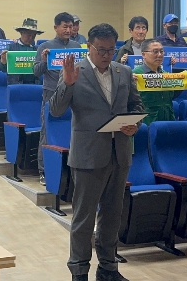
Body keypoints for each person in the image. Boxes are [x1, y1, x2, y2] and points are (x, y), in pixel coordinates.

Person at [49, 23, 144, 281]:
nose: (106, 55)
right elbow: (55, 110)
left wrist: (134, 124)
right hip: (88, 155)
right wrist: (68, 84)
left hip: (119, 154)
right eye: (101, 50)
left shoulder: (124, 72)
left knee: (112, 216)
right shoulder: (74, 71)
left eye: (111, 50)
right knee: (84, 218)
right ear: (89, 47)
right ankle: (79, 271)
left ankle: (108, 268)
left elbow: (136, 106)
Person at [34, 12, 80, 186]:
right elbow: (36, 72)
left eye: (70, 26)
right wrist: (44, 61)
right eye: (65, 26)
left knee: (73, 130)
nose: (68, 30)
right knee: (47, 132)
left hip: (73, 94)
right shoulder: (45, 46)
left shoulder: (76, 46)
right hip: (51, 93)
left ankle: (70, 169)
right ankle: (44, 170)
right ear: (55, 27)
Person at [133, 39, 182, 124]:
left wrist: (183, 83)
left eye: (161, 51)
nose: (159, 55)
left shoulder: (166, 75)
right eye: (155, 52)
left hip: (168, 121)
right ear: (144, 54)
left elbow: (171, 96)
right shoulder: (135, 75)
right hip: (146, 122)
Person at [0, 18, 43, 85]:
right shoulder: (11, 48)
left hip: (34, 84)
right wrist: (3, 60)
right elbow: (4, 69)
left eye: (33, 36)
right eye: (29, 35)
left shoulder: (36, 50)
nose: (31, 38)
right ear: (22, 32)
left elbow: (40, 70)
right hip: (15, 84)